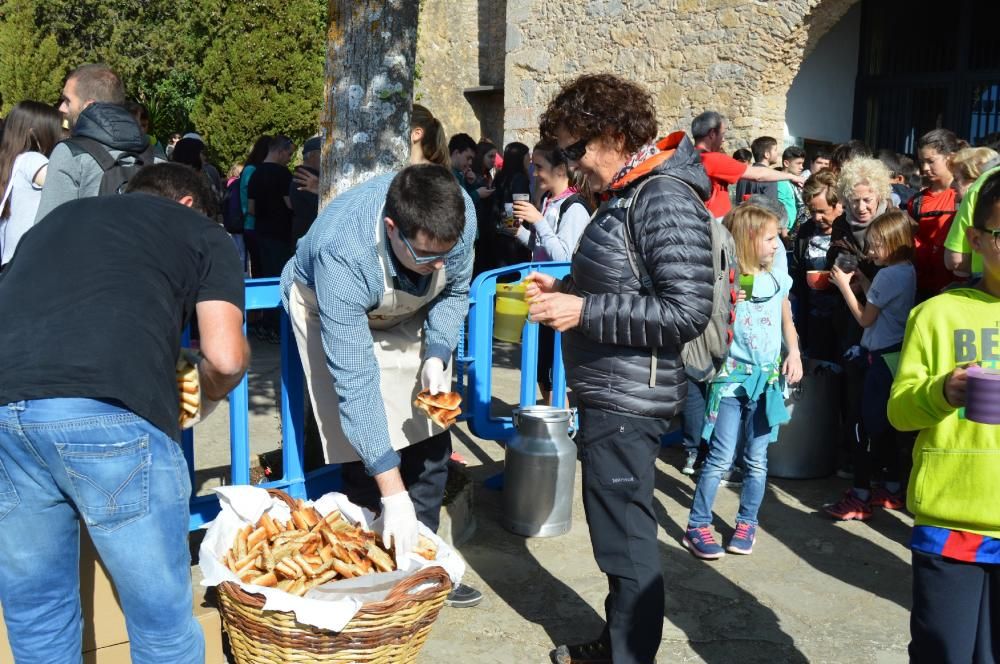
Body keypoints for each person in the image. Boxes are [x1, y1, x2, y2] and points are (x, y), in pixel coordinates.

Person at [0, 162, 249, 663]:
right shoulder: (202, 232)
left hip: (7, 412)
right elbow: (224, 357)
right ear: (187, 204)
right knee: (160, 623)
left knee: (38, 615)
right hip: (109, 414)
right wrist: (201, 396)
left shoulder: (55, 221)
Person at [527, 73, 714, 664]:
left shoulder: (660, 195)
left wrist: (582, 309)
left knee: (627, 544)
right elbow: (633, 284)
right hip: (614, 391)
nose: (570, 164)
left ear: (612, 133)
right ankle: (618, 645)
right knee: (616, 537)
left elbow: (685, 310)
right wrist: (566, 287)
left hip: (630, 400)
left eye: (574, 149)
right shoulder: (632, 193)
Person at [280, 164, 483, 609]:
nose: (439, 265)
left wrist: (438, 352)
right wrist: (394, 495)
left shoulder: (458, 216)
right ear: (392, 228)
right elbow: (356, 381)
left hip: (406, 313)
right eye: (427, 256)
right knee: (365, 461)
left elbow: (453, 291)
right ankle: (378, 580)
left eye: (445, 255)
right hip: (330, 310)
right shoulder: (343, 251)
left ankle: (425, 571)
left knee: (430, 444)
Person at [887, 169, 1000, 663]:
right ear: (976, 238)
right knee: (943, 652)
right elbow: (899, 412)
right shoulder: (938, 313)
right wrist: (941, 391)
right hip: (950, 522)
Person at [683, 204, 801, 561]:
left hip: (765, 385)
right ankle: (697, 524)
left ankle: (747, 521)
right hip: (730, 384)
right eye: (769, 238)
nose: (777, 243)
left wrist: (794, 353)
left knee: (757, 459)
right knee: (718, 459)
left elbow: (787, 321)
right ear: (748, 241)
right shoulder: (727, 281)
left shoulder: (778, 279)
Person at [824, 210, 916, 520]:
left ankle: (860, 495)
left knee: (861, 426)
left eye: (877, 245)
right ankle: (890, 488)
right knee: (884, 425)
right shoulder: (905, 271)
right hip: (893, 355)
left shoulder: (890, 275)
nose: (871, 250)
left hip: (880, 361)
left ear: (894, 243)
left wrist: (843, 286)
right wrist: (863, 279)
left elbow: (865, 318)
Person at [511, 140, 592, 402]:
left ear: (560, 169)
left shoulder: (574, 207)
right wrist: (520, 232)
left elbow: (565, 258)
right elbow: (541, 248)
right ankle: (556, 419)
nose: (534, 173)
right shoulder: (548, 201)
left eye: (539, 166)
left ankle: (562, 423)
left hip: (560, 295)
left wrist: (539, 222)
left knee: (553, 370)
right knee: (542, 369)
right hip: (542, 294)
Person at [35, 63, 153, 222]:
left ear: (89, 106)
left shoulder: (71, 154)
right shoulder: (154, 155)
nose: (62, 108)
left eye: (67, 101)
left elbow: (47, 229)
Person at [690, 111, 803, 219]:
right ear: (712, 134)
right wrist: (791, 176)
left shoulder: (688, 155)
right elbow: (759, 174)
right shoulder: (712, 159)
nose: (723, 140)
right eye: (722, 134)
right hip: (713, 222)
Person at [0, 101, 63, 267]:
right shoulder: (34, 160)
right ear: (37, 134)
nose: (63, 136)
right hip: (29, 260)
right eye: (58, 130)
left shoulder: (12, 161)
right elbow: (61, 185)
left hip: (10, 260)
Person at [908, 129, 963, 300]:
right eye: (922, 162)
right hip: (921, 291)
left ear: (951, 157)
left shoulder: (966, 197)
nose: (925, 168)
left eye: (931, 161)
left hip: (959, 290)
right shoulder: (916, 202)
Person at [942, 146, 1000, 278]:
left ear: (975, 178)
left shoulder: (976, 189)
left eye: (956, 179)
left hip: (989, 286)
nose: (951, 185)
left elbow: (955, 260)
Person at [491, 141, 532, 267]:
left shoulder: (500, 176)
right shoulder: (520, 179)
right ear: (521, 158)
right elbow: (519, 208)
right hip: (513, 241)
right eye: (527, 156)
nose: (529, 160)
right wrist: (514, 229)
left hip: (499, 236)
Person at [239, 135, 272, 278]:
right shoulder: (252, 170)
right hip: (252, 224)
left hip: (253, 224)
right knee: (260, 267)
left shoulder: (250, 169)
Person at [733, 135, 783, 204]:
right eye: (775, 150)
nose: (777, 153)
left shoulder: (744, 174)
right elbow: (771, 208)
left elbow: (738, 201)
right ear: (767, 154)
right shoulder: (770, 176)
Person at [290, 136, 321, 242]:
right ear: (311, 155)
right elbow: (323, 207)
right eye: (323, 152)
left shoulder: (310, 177)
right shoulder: (305, 177)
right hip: (308, 238)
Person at [776, 145, 807, 235]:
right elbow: (780, 209)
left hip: (792, 229)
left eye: (802, 164)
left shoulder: (790, 181)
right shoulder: (780, 182)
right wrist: (784, 234)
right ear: (786, 163)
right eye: (798, 163)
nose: (802, 167)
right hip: (784, 231)